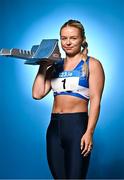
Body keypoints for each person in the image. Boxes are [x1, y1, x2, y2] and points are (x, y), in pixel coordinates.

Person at [32, 19, 105, 179]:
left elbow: (96, 101)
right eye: (64, 38)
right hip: (54, 127)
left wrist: (89, 132)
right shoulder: (55, 67)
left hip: (77, 126)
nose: (68, 42)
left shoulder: (92, 64)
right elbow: (37, 94)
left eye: (73, 38)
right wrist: (43, 64)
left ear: (82, 40)